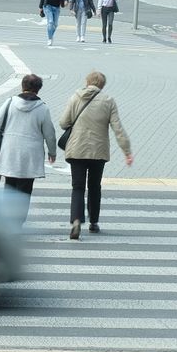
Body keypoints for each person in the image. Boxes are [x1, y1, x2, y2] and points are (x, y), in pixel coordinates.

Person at [59, 71, 133, 240]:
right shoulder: (108, 101)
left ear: (87, 81)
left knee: (77, 187)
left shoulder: (75, 97)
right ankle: (93, 222)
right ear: (102, 85)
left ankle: (76, 220)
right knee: (94, 186)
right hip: (98, 151)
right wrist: (127, 152)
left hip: (76, 149)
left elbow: (63, 122)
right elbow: (118, 129)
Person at [0, 74, 57, 221]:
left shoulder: (10, 102)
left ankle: (7, 219)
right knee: (25, 189)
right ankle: (18, 221)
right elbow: (49, 134)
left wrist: (8, 134)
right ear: (38, 90)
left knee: (10, 186)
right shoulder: (42, 108)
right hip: (30, 156)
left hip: (10, 151)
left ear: (22, 86)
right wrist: (52, 152)